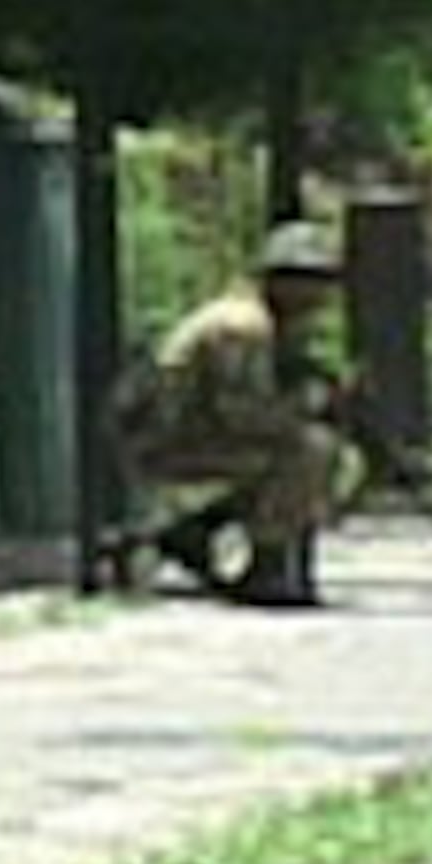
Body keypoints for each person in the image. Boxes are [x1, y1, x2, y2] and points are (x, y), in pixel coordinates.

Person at [113, 218, 350, 611]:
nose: (319, 293)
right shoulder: (243, 326)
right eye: (307, 279)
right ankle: (268, 567)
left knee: (305, 448)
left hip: (188, 434)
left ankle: (195, 532)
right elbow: (240, 412)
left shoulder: (264, 322)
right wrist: (305, 408)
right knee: (309, 450)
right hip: (166, 442)